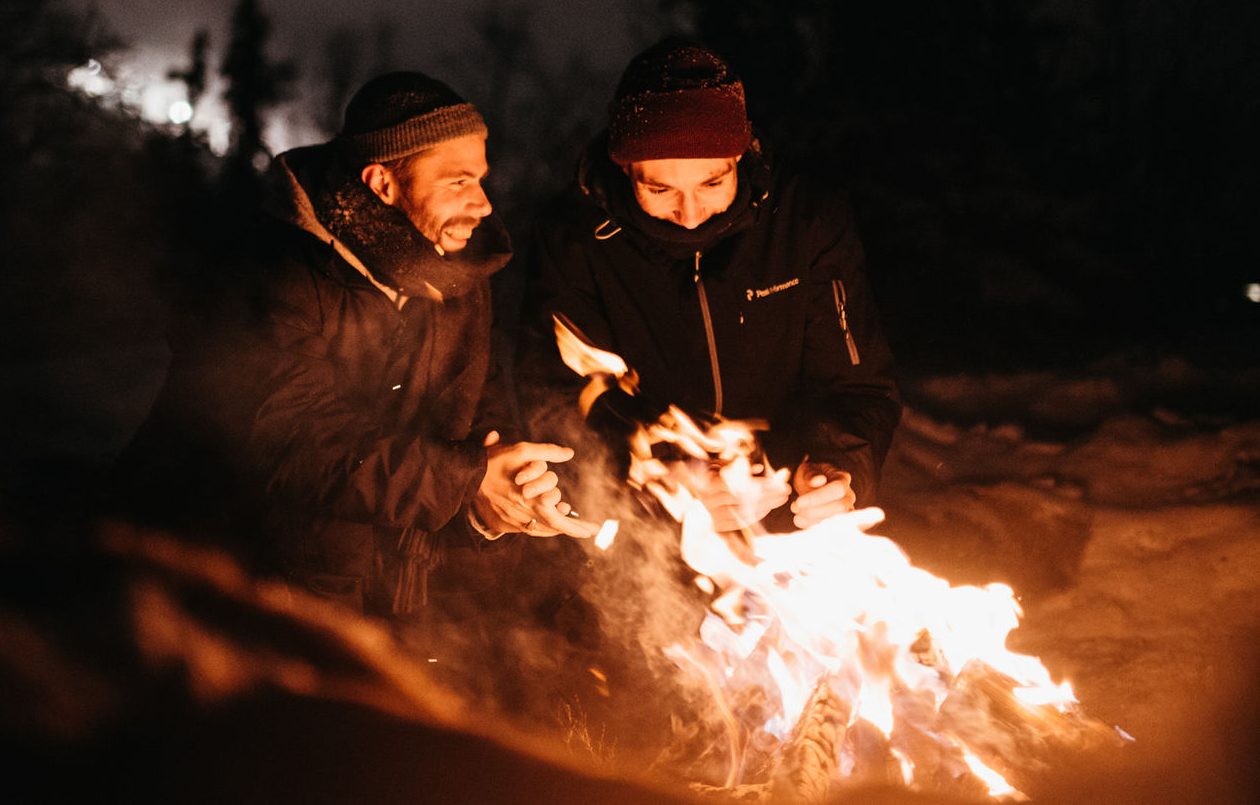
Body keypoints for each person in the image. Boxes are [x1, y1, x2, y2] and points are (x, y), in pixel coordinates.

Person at [117, 71, 589, 622]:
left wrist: (496, 498)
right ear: (382, 184)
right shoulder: (273, 271)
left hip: (373, 591)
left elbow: (471, 425)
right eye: (458, 182)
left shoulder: (459, 280)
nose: (483, 205)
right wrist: (465, 476)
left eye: (481, 179)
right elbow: (296, 440)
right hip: (224, 583)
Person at [515, 37, 901, 533]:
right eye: (660, 189)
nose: (691, 213)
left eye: (712, 183)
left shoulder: (805, 222)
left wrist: (835, 469)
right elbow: (553, 399)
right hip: (643, 527)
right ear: (625, 168)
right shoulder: (574, 240)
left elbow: (858, 385)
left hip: (790, 522)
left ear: (738, 158)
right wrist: (661, 481)